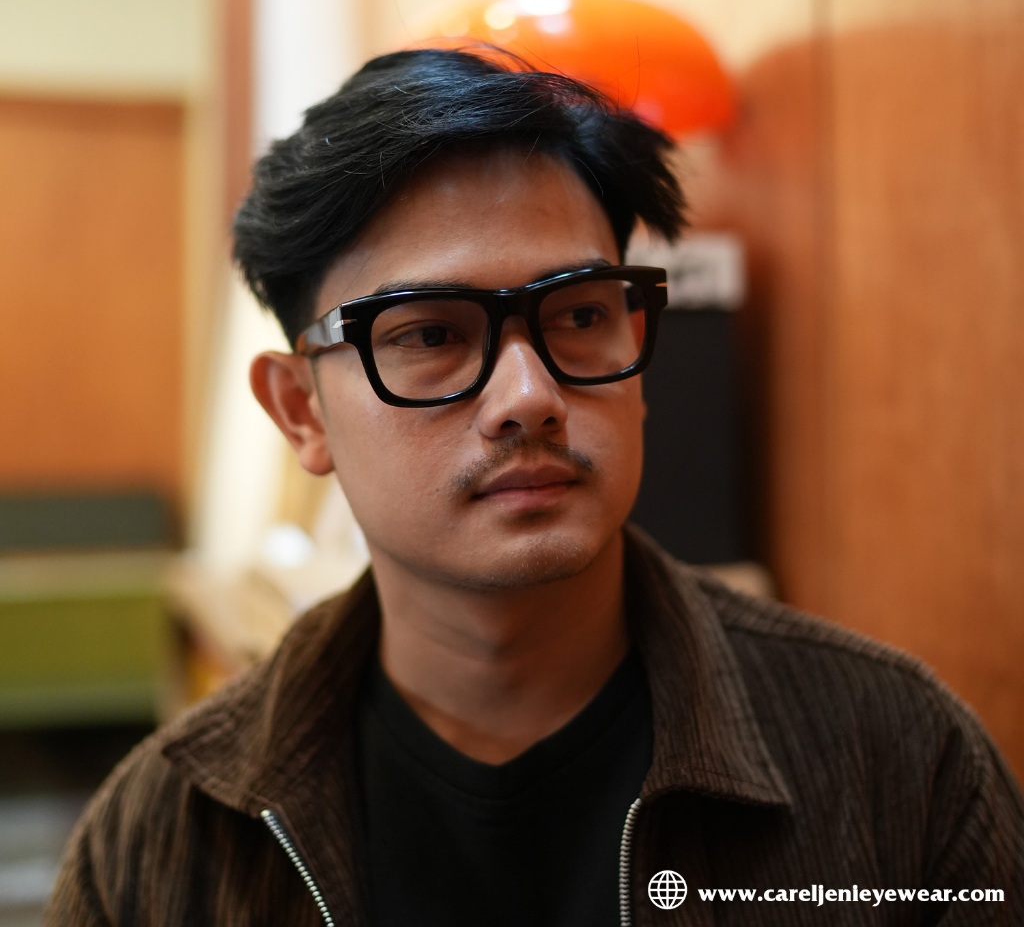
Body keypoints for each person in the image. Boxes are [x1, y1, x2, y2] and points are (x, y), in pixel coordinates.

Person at [48, 48, 1022, 926]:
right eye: (432, 333)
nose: (530, 397)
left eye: (581, 315)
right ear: (302, 411)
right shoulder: (161, 844)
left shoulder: (896, 763)